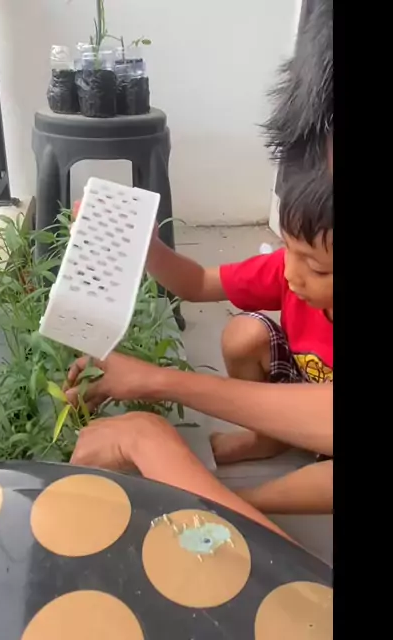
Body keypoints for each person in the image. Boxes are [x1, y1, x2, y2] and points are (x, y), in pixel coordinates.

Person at [65, 0, 333, 520]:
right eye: (290, 251)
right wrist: (145, 245)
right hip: (304, 394)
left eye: (318, 268)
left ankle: (242, 508)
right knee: (245, 333)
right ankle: (266, 437)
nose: (291, 273)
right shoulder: (291, 269)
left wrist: (155, 399)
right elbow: (196, 282)